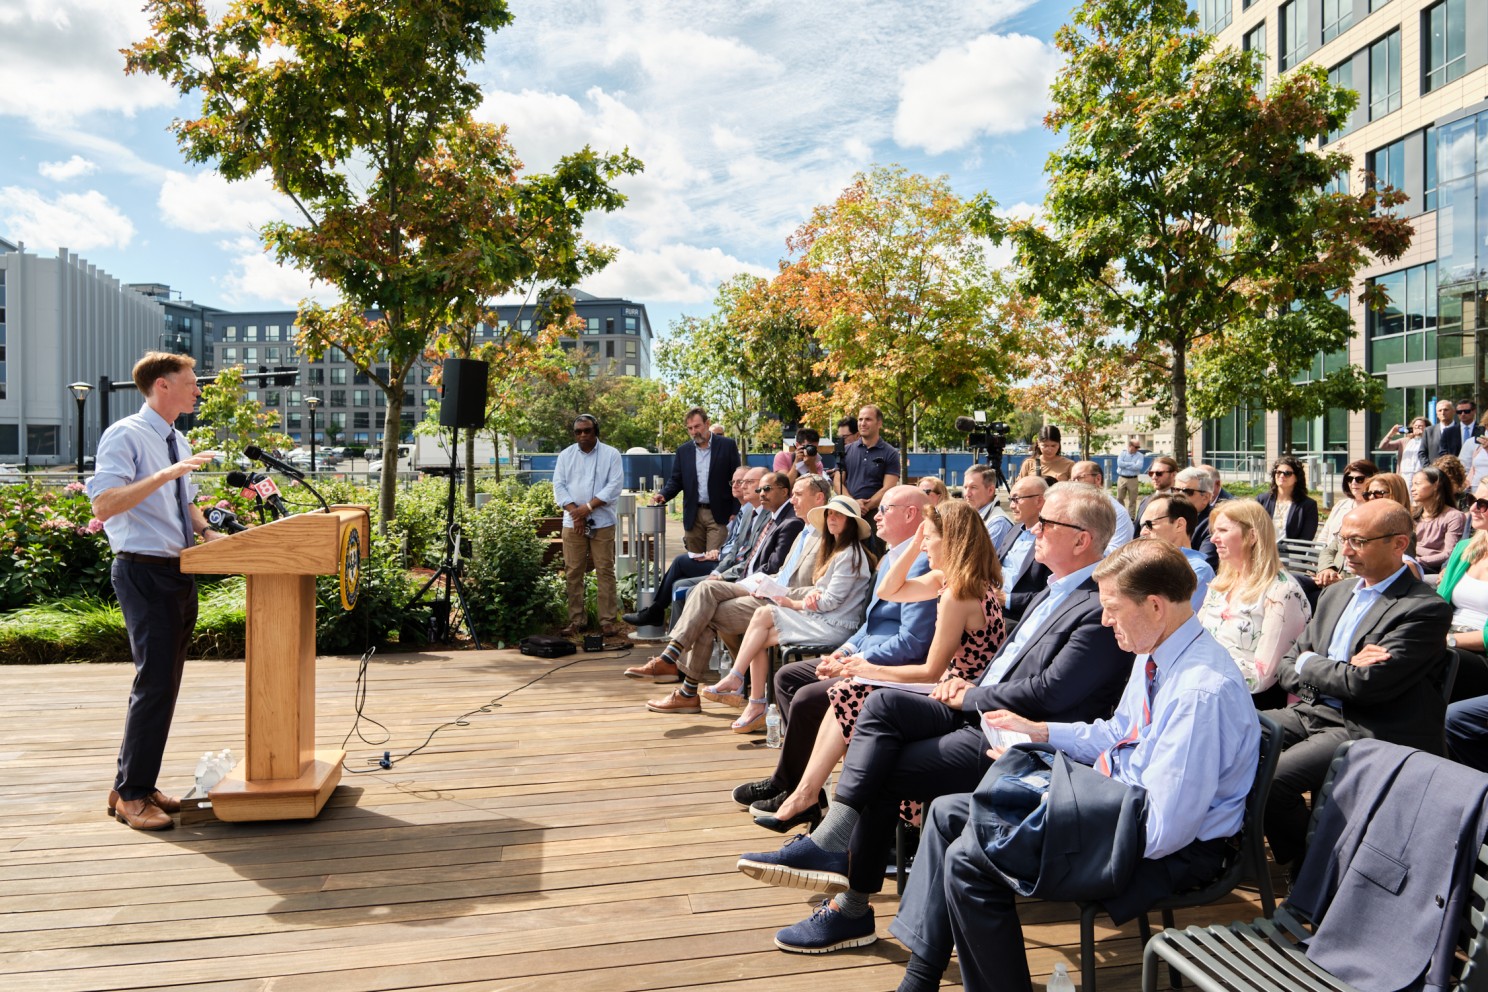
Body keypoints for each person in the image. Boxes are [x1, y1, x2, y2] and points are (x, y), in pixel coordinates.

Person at [735, 483, 1133, 955]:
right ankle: (833, 843)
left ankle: (850, 900)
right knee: (879, 708)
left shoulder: (1095, 607)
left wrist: (969, 694)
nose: (1034, 528)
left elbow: (1051, 693)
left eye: (1046, 523)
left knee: (876, 753)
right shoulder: (1054, 591)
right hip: (977, 710)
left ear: (1081, 539)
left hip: (1016, 740)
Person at [886, 540, 1260, 992]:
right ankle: (921, 976)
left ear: (1156, 606)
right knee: (949, 813)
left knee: (970, 859)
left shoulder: (1199, 693)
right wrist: (1039, 733)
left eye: (1112, 608)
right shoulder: (1156, 652)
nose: (1104, 620)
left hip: (1168, 849)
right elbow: (1115, 732)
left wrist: (1059, 794)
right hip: (1120, 807)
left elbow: (1165, 830)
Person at [751, 500, 1005, 831]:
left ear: (952, 539)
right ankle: (807, 796)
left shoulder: (958, 593)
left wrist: (866, 669)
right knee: (846, 691)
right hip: (946, 687)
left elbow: (930, 670)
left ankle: (815, 802)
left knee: (851, 692)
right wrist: (913, 546)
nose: (923, 543)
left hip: (957, 697)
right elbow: (889, 591)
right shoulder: (950, 578)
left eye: (928, 537)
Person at [1261, 498, 1454, 873]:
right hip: (1311, 709)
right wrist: (1329, 668)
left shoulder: (1423, 609)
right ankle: (1238, 847)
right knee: (1228, 735)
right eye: (1343, 539)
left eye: (1358, 541)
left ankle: (1314, 869)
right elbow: (1288, 665)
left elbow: (1365, 686)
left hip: (1364, 726)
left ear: (1399, 543)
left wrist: (1313, 664)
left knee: (1274, 782)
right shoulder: (1337, 593)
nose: (1345, 551)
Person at [730, 486, 938, 818]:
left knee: (808, 697)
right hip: (861, 652)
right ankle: (799, 782)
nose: (878, 515)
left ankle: (795, 788)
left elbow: (912, 641)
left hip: (892, 669)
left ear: (911, 514)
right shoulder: (892, 559)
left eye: (885, 509)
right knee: (786, 677)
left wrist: (858, 663)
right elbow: (870, 624)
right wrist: (843, 652)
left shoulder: (924, 565)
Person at [87, 352, 225, 831]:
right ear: (162, 385)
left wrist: (208, 534)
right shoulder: (125, 434)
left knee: (164, 683)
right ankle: (131, 794)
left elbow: (183, 503)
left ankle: (132, 784)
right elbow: (104, 502)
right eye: (190, 383)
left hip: (178, 572)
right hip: (143, 572)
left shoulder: (176, 437)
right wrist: (166, 473)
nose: (197, 391)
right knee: (154, 683)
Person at [702, 495, 876, 733]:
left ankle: (741, 684)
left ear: (852, 522)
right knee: (760, 635)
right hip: (823, 619)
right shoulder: (837, 550)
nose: (833, 518)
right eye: (830, 514)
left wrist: (794, 603)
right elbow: (826, 595)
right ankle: (754, 701)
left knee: (763, 615)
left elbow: (830, 601)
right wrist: (812, 595)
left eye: (839, 514)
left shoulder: (850, 554)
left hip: (837, 626)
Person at [623, 471, 804, 688]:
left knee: (705, 596)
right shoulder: (771, 518)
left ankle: (678, 672)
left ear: (784, 492)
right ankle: (681, 675)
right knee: (703, 593)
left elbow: (771, 568)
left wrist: (729, 578)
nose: (760, 493)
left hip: (763, 588)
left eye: (765, 489)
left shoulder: (790, 522)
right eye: (760, 489)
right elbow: (744, 554)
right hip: (748, 580)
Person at [1197, 499, 1312, 710]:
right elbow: (1196, 638)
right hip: (1206, 687)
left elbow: (1263, 676)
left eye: (1222, 530)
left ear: (1252, 536)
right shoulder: (1220, 583)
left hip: (1247, 703)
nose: (1213, 539)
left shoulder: (1281, 592)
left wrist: (1202, 669)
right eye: (1214, 531)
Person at [621, 466, 761, 629]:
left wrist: (720, 558)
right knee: (680, 575)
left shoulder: (752, 511)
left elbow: (744, 550)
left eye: (744, 481)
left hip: (731, 569)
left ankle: (663, 622)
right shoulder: (743, 512)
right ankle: (668, 628)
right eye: (734, 481)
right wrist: (719, 552)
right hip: (723, 558)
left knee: (681, 569)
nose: (738, 485)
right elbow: (736, 545)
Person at [552, 414, 624, 638]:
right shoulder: (565, 455)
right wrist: (577, 513)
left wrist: (588, 508)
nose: (582, 435)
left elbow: (614, 486)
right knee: (573, 572)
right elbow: (559, 486)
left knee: (604, 570)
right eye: (578, 431)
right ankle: (576, 620)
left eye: (587, 430)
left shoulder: (611, 454)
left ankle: (607, 621)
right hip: (572, 522)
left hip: (602, 522)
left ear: (596, 431)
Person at [651, 406, 741, 553]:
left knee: (713, 559)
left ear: (707, 423)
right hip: (693, 515)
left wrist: (736, 509)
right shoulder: (683, 451)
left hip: (719, 514)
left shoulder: (727, 446)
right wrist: (664, 494)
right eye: (690, 428)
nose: (694, 432)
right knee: (695, 560)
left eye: (697, 426)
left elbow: (737, 479)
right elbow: (676, 480)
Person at [1137, 494, 1213, 611]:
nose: (1143, 532)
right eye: (1142, 525)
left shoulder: (1197, 570)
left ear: (1179, 525)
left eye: (1149, 524)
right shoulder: (1144, 564)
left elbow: (1171, 621)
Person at [838, 405, 901, 529]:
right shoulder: (845, 451)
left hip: (875, 516)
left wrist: (866, 506)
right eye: (860, 419)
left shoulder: (891, 453)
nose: (863, 423)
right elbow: (838, 481)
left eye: (868, 419)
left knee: (872, 549)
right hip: (847, 513)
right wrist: (852, 503)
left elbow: (888, 487)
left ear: (879, 423)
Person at [999, 476, 1052, 622]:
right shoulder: (1014, 531)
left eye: (1017, 499)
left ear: (1039, 501)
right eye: (1011, 499)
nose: (1011, 506)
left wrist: (1007, 599)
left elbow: (1051, 593)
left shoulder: (1051, 540)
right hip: (993, 605)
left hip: (1020, 617)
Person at [1411, 465, 1466, 574]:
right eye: (1412, 484)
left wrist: (1416, 561)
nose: (1412, 489)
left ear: (1436, 485)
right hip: (1410, 562)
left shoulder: (1453, 516)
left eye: (1417, 484)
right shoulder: (1413, 513)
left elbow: (1449, 553)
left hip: (1433, 568)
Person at [1070, 460, 1134, 553]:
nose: (1075, 483)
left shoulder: (1117, 513)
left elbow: (1116, 552)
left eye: (1080, 478)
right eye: (1072, 480)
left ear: (1098, 479)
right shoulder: (1071, 508)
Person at [1256, 455, 1319, 542]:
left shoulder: (1308, 505)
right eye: (1278, 472)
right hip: (1263, 552)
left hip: (1291, 553)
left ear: (1297, 477)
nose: (1282, 476)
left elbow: (1306, 539)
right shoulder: (1262, 500)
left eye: (1287, 473)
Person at [1175, 466, 1220, 569]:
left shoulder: (1214, 523)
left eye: (1187, 491)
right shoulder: (1168, 516)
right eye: (1176, 490)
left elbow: (1204, 564)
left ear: (1205, 498)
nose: (1179, 496)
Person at [961, 463, 1012, 550]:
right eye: (965, 487)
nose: (967, 494)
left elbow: (982, 560)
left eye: (973, 487)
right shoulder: (971, 516)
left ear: (990, 490)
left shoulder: (998, 523)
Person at [1135, 455, 1179, 521]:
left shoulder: (1180, 503)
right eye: (1151, 473)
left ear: (1173, 475)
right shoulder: (1145, 501)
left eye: (1159, 473)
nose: (1154, 477)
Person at [1115, 436, 1145, 520]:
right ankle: (1122, 515)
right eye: (1136, 447)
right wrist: (1132, 464)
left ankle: (1131, 517)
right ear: (1130, 446)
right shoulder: (1122, 453)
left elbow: (1138, 466)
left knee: (1132, 500)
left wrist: (1126, 464)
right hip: (1122, 478)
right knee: (1119, 498)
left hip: (1133, 479)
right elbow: (1119, 464)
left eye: (1138, 447)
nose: (1138, 449)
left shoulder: (1140, 455)